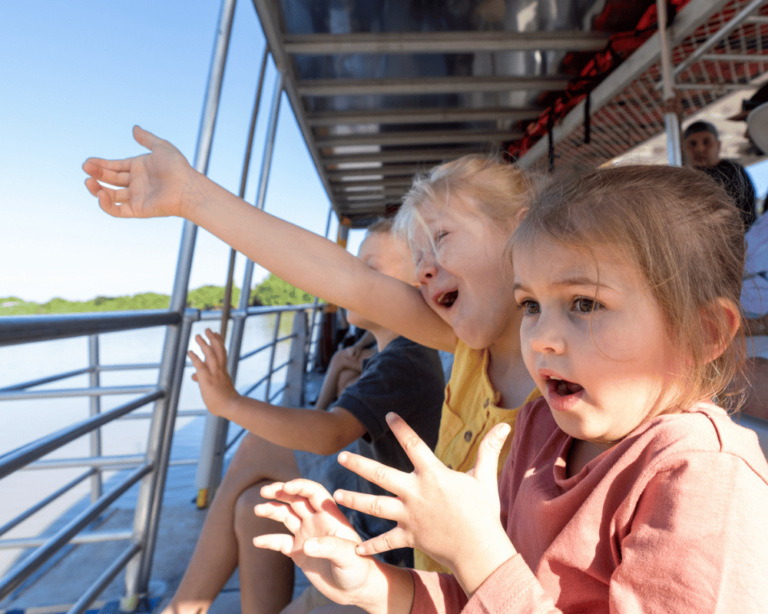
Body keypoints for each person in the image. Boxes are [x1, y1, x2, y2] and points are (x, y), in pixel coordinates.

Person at [253, 165, 768, 613]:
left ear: (702, 333)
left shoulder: (701, 479)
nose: (541, 338)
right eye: (530, 306)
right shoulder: (537, 428)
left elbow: (492, 579)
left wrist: (477, 551)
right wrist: (372, 584)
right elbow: (483, 596)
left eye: (585, 304)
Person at [82, 129, 540, 572]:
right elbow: (344, 279)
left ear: (520, 236)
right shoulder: (468, 351)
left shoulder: (576, 381)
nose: (424, 271)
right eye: (418, 258)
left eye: (440, 238)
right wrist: (192, 198)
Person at [159, 219, 445, 614]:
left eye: (370, 270)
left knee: (259, 446)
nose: (349, 280)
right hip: (374, 505)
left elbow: (331, 433)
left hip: (390, 541)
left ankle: (184, 606)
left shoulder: (407, 358)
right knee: (254, 506)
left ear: (418, 283)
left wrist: (231, 404)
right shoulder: (399, 354)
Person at [682, 120, 757, 230]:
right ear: (685, 149)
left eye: (706, 142)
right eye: (692, 144)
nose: (699, 149)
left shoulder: (732, 171)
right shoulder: (685, 178)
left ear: (718, 145)